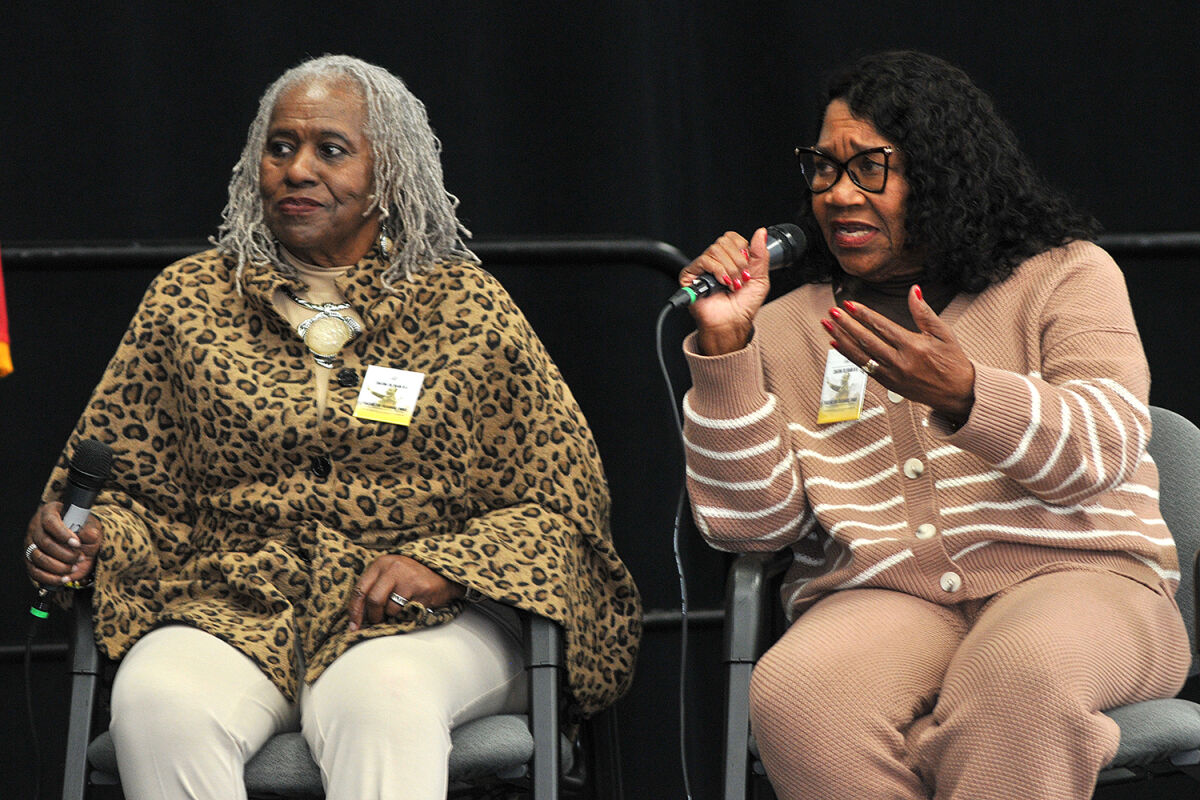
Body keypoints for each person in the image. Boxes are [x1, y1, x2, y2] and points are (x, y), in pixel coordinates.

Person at [22, 54, 641, 800]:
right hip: (235, 605)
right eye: (280, 148)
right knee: (157, 701)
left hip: (425, 621)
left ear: (390, 171)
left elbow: (563, 505)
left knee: (376, 696)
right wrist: (88, 535)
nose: (297, 170)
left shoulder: (464, 307)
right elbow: (132, 496)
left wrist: (453, 565)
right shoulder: (187, 302)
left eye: (331, 149)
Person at [678, 50, 1190, 800]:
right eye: (823, 169)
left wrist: (968, 396)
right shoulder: (788, 325)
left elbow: (1105, 449)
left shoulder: (1067, 275)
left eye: (869, 169)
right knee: (800, 698)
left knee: (1016, 680)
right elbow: (754, 531)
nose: (838, 195)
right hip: (885, 594)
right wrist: (725, 351)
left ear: (945, 172)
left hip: (1081, 581)